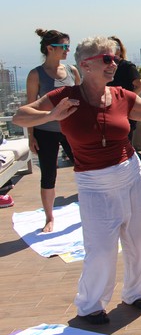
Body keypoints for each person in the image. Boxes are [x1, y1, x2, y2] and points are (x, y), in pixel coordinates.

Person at [13, 36, 141, 324]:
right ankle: (91, 305)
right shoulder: (65, 97)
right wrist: (54, 114)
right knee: (101, 251)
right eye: (106, 59)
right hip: (94, 183)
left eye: (115, 59)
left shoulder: (122, 95)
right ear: (85, 65)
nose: (114, 64)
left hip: (132, 174)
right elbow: (21, 116)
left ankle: (138, 293)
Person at [25, 28, 81, 233]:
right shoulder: (35, 75)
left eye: (68, 46)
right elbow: (29, 107)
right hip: (44, 131)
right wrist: (31, 135)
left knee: (84, 167)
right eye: (63, 46)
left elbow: (81, 98)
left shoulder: (72, 71)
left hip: (70, 129)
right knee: (48, 174)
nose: (67, 50)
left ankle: (92, 207)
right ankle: (49, 218)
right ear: (50, 48)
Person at [108, 36, 141, 142]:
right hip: (109, 110)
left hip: (124, 111)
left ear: (119, 50)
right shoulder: (105, 67)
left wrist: (125, 101)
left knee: (126, 142)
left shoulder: (127, 66)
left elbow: (140, 86)